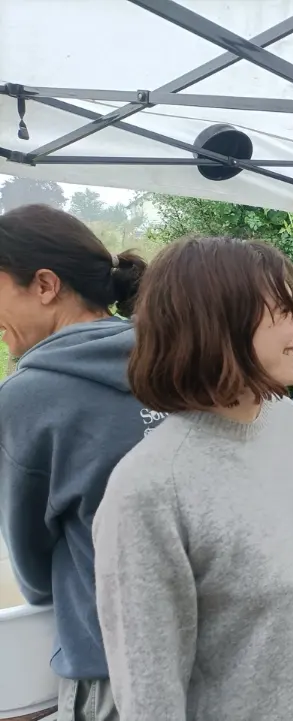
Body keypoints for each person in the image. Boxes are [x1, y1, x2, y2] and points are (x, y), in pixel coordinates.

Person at [92, 236, 293, 721]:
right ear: (221, 324)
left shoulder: (284, 419)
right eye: (286, 312)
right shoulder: (149, 490)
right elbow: (151, 699)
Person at [0, 204, 150, 721]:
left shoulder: (28, 397)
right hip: (209, 651)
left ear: (45, 285)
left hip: (110, 668)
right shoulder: (177, 360)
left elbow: (33, 573)